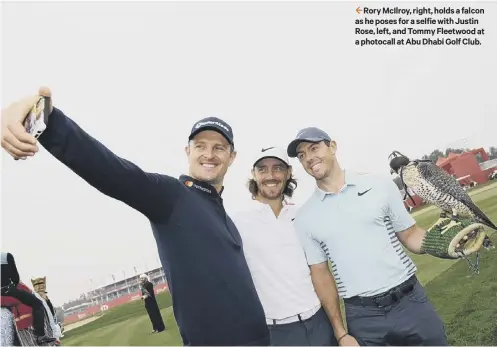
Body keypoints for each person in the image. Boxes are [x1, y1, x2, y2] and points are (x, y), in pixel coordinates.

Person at [0, 88, 270, 346]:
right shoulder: (172, 196)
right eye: (200, 145)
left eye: (219, 148)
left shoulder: (222, 213)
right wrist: (45, 117)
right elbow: (112, 171)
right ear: (188, 151)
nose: (209, 154)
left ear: (232, 157)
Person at [285, 127, 485, 346]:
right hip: (363, 317)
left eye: (314, 148)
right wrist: (341, 333)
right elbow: (321, 275)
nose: (309, 158)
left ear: (332, 146)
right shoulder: (305, 217)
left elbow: (410, 235)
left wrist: (443, 243)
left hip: (410, 302)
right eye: (302, 155)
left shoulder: (378, 185)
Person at [231, 147, 339, 346]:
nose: (270, 175)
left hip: (318, 321)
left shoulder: (303, 215)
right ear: (253, 175)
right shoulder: (236, 221)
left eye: (277, 168)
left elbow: (321, 272)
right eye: (262, 169)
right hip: (276, 333)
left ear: (288, 172)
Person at [0, 252, 56, 344]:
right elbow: (15, 278)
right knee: (37, 303)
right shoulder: (6, 256)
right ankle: (40, 334)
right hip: (7, 291)